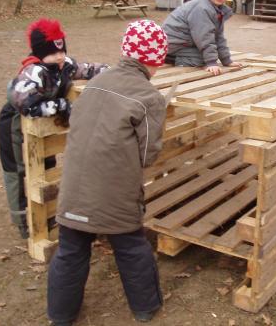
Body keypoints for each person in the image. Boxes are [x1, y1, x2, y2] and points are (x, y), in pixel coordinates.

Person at [46, 20, 168, 325]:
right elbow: (147, 154)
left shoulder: (92, 86)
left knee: (71, 251)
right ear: (155, 60)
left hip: (73, 188)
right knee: (131, 247)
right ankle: (145, 309)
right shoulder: (149, 97)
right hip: (114, 194)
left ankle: (60, 316)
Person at [0, 18, 108, 239]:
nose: (58, 56)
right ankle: (23, 222)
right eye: (52, 52)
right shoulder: (34, 72)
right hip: (15, 126)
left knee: (47, 166)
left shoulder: (63, 65)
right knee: (18, 173)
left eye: (61, 50)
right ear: (40, 53)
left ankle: (46, 215)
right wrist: (60, 105)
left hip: (42, 129)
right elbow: (26, 104)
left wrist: (110, 72)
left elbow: (87, 69)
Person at [163, 0, 241, 75]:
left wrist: (226, 60)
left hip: (188, 42)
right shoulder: (202, 8)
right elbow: (204, 37)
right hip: (173, 44)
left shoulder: (218, 10)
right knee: (202, 59)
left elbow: (218, 37)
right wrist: (211, 62)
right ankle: (169, 58)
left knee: (209, 54)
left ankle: (178, 56)